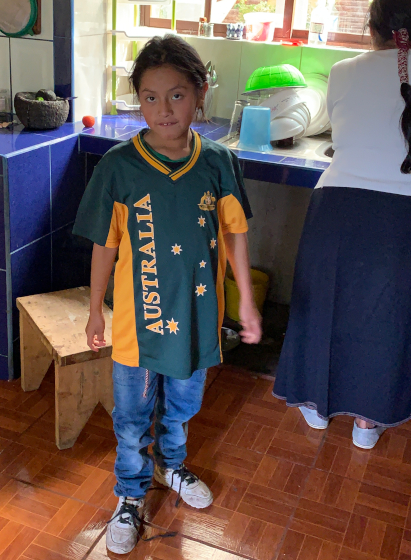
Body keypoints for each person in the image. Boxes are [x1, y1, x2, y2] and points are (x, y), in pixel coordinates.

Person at [73, 35, 262, 554]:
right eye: (150, 97)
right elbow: (105, 247)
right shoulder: (119, 166)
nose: (163, 109)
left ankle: (172, 467)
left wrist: (245, 300)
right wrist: (95, 310)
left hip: (199, 320)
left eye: (176, 95)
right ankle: (130, 496)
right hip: (138, 324)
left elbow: (235, 235)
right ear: (137, 99)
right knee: (131, 417)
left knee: (182, 405)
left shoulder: (218, 162)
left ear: (200, 94)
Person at [273, 0, 411, 450]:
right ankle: (369, 423)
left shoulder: (342, 72)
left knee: (325, 308)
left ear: (372, 28)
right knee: (391, 319)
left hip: (340, 207)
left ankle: (318, 408)